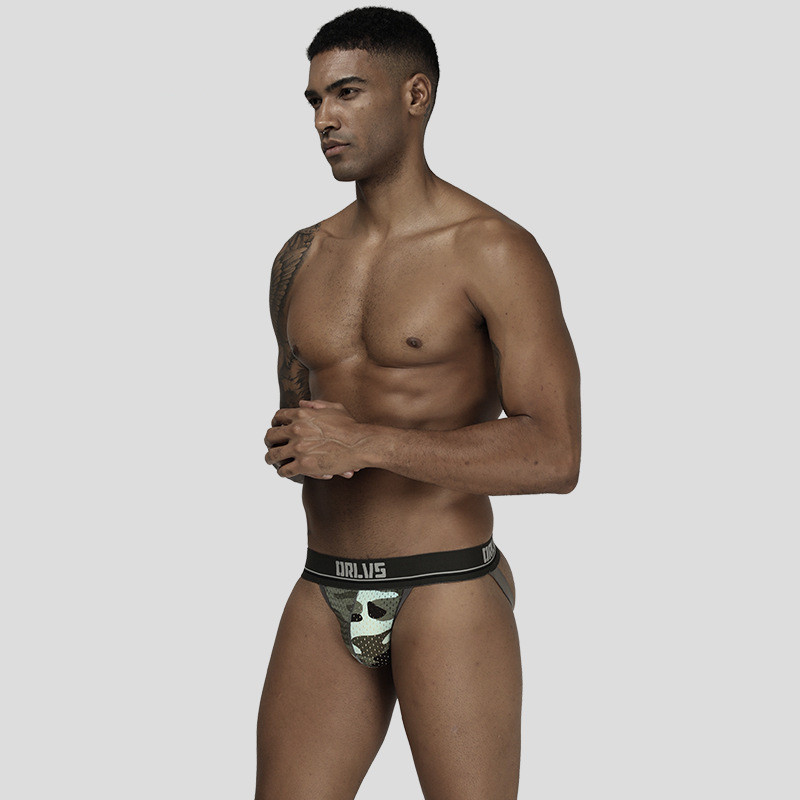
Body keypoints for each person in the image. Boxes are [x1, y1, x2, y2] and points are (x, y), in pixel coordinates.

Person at [257, 7, 580, 799]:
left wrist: (368, 442)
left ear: (415, 95)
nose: (324, 118)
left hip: (446, 589)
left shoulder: (492, 248)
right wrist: (296, 445)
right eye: (315, 100)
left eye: (347, 92)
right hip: (324, 585)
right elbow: (304, 423)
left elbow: (555, 453)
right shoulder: (301, 256)